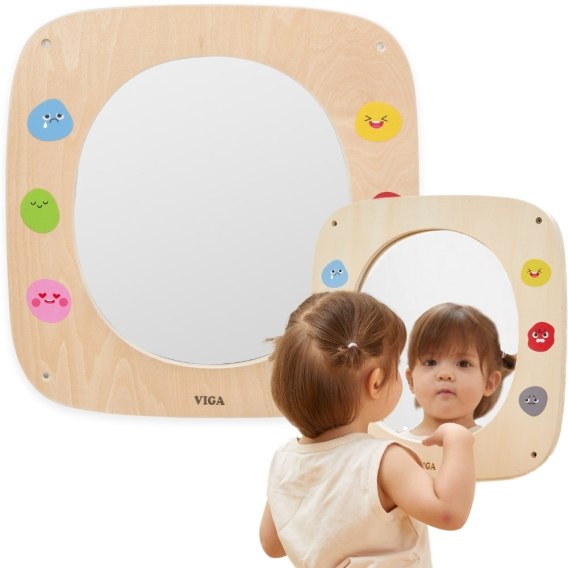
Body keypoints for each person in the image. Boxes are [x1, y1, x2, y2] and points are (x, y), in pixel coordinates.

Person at [259, 291, 476, 567]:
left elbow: (272, 544)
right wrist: (458, 441)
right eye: (396, 365)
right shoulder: (384, 460)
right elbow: (448, 513)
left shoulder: (285, 460)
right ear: (375, 383)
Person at [402, 302, 516, 438]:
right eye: (431, 362)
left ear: (489, 383)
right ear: (411, 380)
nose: (445, 374)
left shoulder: (495, 444)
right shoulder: (394, 445)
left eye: (463, 363)